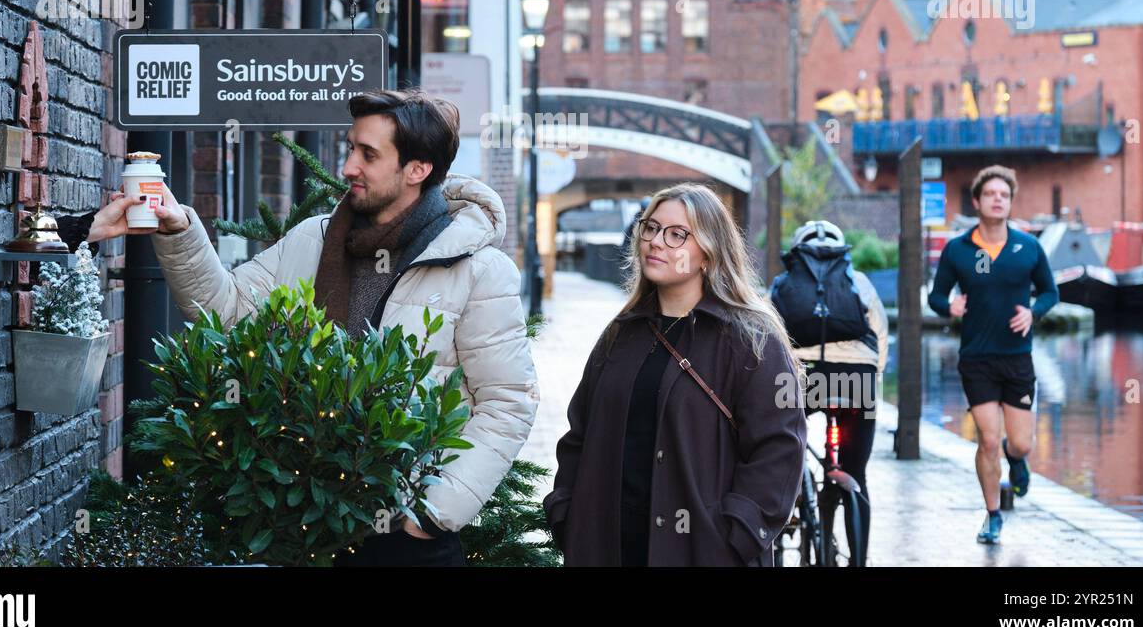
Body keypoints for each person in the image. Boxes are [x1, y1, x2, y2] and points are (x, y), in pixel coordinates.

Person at [91, 88, 539, 566]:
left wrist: (432, 514)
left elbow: (508, 401)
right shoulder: (314, 239)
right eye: (350, 148)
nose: (348, 167)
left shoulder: (477, 269)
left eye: (368, 154)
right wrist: (179, 230)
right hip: (301, 525)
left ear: (417, 169)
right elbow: (223, 312)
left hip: (407, 539)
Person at [543, 182, 807, 567]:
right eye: (650, 228)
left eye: (677, 234)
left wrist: (739, 533)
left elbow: (779, 448)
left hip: (701, 550)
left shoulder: (751, 340)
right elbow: (578, 433)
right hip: (606, 545)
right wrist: (566, 511)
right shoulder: (621, 333)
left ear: (708, 252)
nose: (656, 241)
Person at [928, 165, 1058, 546]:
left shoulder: (1028, 248)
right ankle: (992, 515)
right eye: (990, 194)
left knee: (1020, 443)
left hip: (1017, 357)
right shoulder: (959, 249)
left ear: (1010, 202)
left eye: (1004, 194)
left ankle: (1014, 458)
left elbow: (1051, 292)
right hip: (977, 358)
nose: (998, 199)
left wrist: (1033, 312)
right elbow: (937, 296)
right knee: (987, 439)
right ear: (977, 201)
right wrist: (949, 306)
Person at [770, 219, 888, 566]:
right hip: (857, 378)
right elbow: (880, 335)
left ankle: (793, 500)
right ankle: (859, 560)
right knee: (857, 471)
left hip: (801, 378)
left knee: (782, 448)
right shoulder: (859, 281)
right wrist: (870, 376)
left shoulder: (784, 282)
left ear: (797, 251)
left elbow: (764, 337)